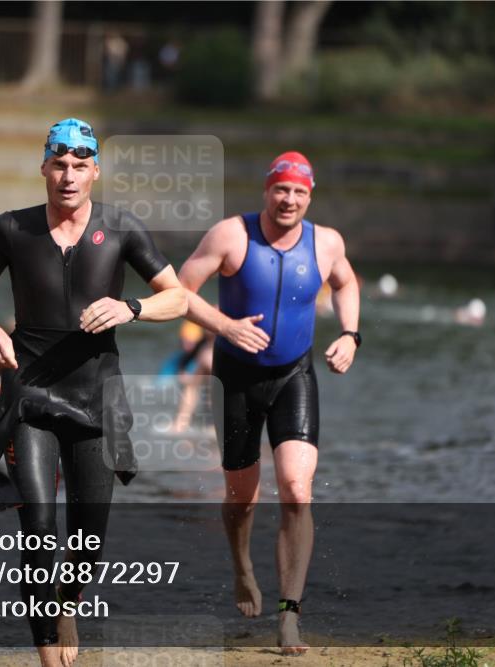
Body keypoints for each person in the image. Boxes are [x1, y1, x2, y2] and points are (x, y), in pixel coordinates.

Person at [0, 118, 186, 667]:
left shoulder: (123, 228)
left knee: (87, 546)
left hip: (95, 399)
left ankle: (70, 600)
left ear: (94, 173)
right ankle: (45, 657)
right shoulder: (10, 229)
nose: (68, 176)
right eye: (59, 165)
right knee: (38, 527)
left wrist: (131, 307)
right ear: (43, 167)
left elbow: (177, 298)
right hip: (29, 395)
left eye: (79, 166)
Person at [177, 152, 361, 654]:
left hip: (293, 376)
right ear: (267, 190)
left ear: (310, 196)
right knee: (243, 498)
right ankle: (242, 569)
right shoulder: (231, 236)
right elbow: (177, 289)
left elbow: (346, 281)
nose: (290, 200)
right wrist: (225, 325)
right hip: (235, 378)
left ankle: (289, 618)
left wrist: (350, 333)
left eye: (300, 192)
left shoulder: (326, 243)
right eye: (282, 190)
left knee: (297, 491)